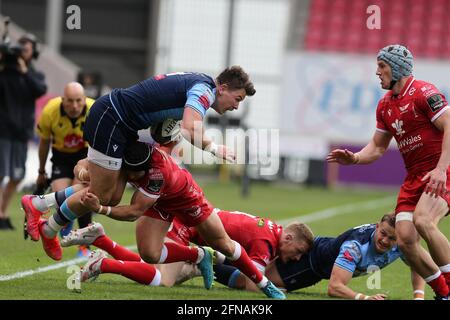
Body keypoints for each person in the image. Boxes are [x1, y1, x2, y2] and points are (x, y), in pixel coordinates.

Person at [22, 66, 255, 255]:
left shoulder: (198, 81)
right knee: (100, 195)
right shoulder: (204, 90)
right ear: (222, 88)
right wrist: (214, 148)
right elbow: (188, 127)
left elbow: (160, 125)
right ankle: (48, 225)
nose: (236, 106)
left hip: (120, 123)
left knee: (110, 196)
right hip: (112, 120)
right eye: (238, 99)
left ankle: (40, 207)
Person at [24, 137, 287, 299]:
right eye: (131, 173)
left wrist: (101, 209)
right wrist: (85, 172)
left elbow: (133, 212)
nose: (133, 178)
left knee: (222, 248)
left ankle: (265, 286)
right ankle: (197, 256)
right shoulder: (124, 152)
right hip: (159, 203)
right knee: (149, 254)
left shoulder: (157, 174)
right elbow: (81, 164)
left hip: (187, 200)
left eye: (137, 174)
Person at [327, 44, 450, 299]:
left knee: (424, 220)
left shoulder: (423, 92)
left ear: (397, 68)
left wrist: (440, 169)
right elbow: (377, 147)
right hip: (414, 177)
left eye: (382, 66)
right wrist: (355, 158)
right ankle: (443, 293)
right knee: (405, 240)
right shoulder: (384, 106)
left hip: (440, 171)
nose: (377, 72)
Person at [60, 209, 313, 290]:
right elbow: (250, 283)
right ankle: (103, 264)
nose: (298, 257)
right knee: (163, 280)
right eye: (299, 251)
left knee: (151, 266)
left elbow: (241, 273)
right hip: (185, 226)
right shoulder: (266, 242)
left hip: (188, 225)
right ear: (288, 237)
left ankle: (102, 241)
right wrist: (274, 285)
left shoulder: (269, 230)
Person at [35, 82, 95, 256]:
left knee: (83, 196)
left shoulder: (94, 109)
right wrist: (40, 171)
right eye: (70, 101)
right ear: (63, 99)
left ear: (84, 99)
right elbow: (44, 143)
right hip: (61, 156)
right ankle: (66, 218)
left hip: (85, 155)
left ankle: (84, 246)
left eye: (78, 101)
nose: (74, 106)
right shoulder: (50, 111)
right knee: (62, 198)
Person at [0, 33, 47, 230]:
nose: (20, 53)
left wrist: (24, 71)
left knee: (17, 175)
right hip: (2, 129)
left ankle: (2, 210)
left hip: (21, 132)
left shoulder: (33, 75)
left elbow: (39, 90)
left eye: (25, 50)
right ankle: (1, 214)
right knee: (1, 172)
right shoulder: (3, 71)